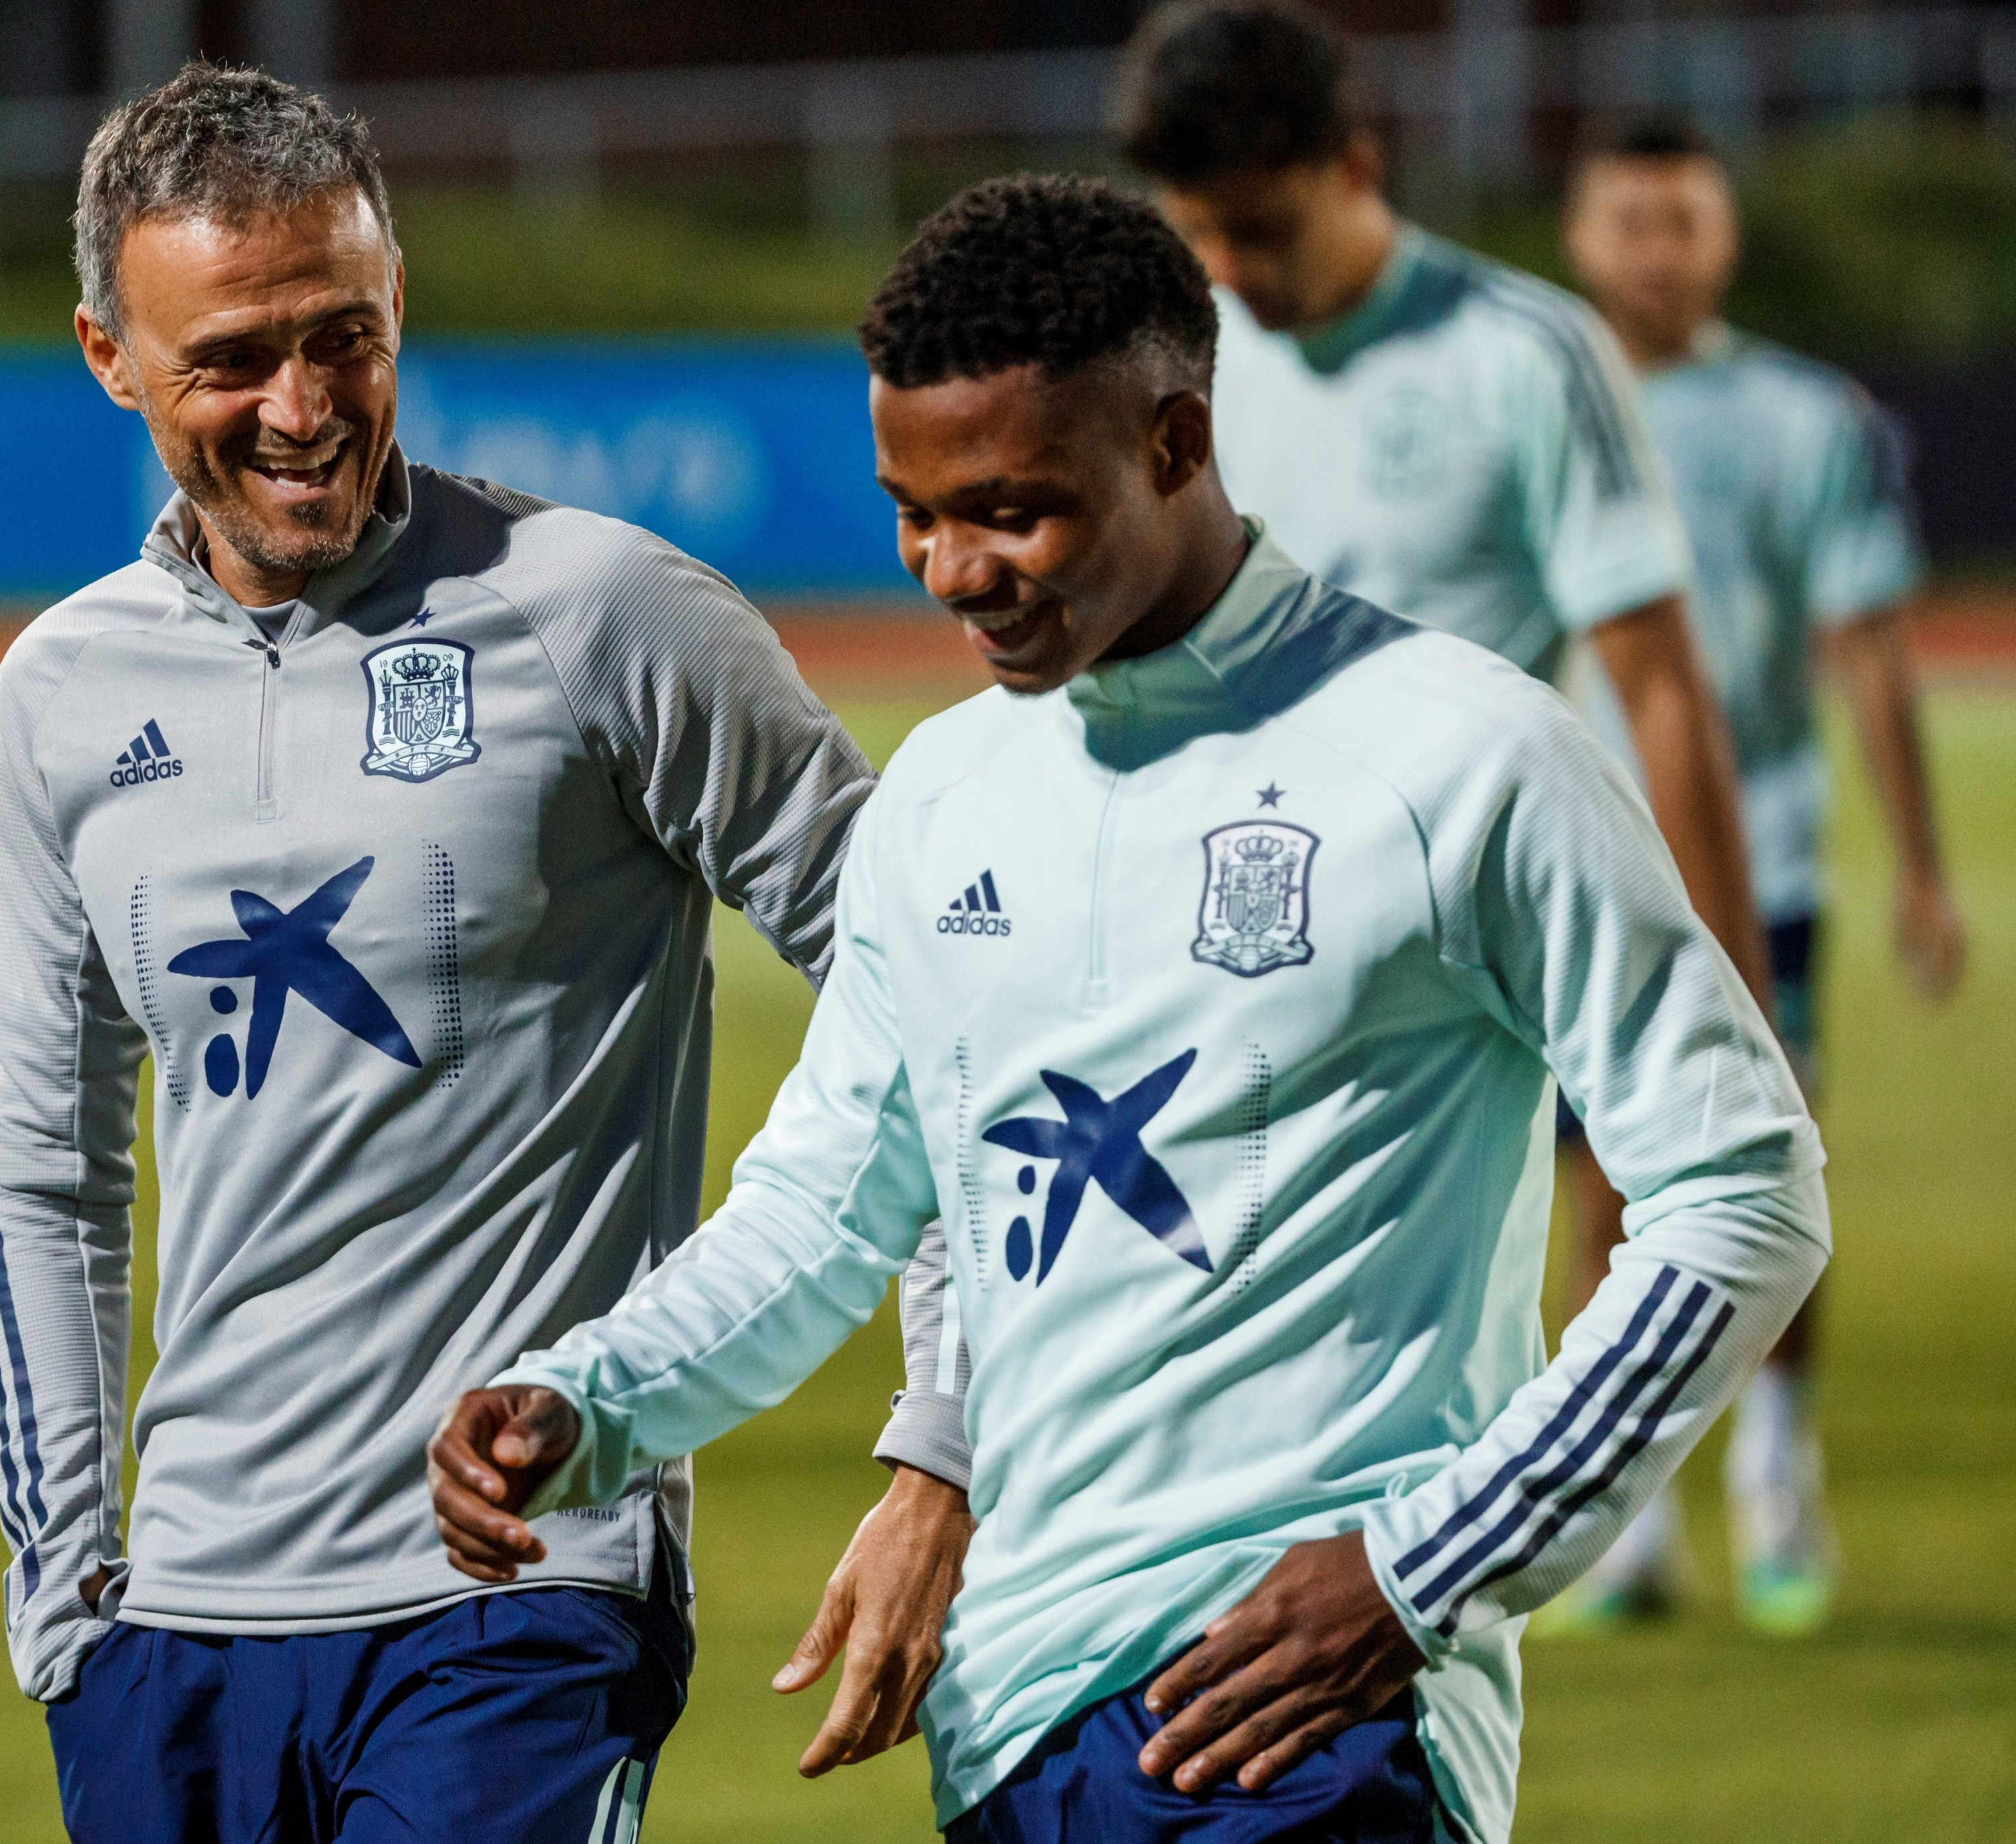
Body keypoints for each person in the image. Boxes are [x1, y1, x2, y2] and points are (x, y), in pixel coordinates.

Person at [429, 176, 1828, 1844]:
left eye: (1010, 511)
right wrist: (586, 1398)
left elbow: (1743, 1189)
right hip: (1011, 1720)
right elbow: (820, 1211)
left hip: (1314, 1728)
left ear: (1172, 443)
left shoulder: (1461, 754)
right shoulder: (942, 796)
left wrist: (1425, 1565)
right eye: (911, 511)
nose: (953, 570)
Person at [0, 63, 966, 1844]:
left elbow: (958, 1006)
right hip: (177, 1635)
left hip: (517, 1590)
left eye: (341, 335)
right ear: (110, 356)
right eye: (230, 360)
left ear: (398, 296)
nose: (301, 407)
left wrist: (943, 1431)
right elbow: (43, 1171)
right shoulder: (61, 690)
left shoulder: (604, 614)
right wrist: (65, 1603)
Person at [1108, 0, 1774, 1013]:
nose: (1229, 269)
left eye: (1263, 229)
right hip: (1248, 945)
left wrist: (1732, 1018)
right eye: (1197, 231)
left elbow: (1664, 697)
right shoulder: (1181, 359)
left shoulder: (1527, 355)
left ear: (1358, 169)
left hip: (1477, 955)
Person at [1544, 115, 1966, 1634]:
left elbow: (1866, 644)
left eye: (1681, 220)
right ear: (1578, 235)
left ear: (1720, 239)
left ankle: (1776, 1486)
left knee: (1764, 1165)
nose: (1653, 248)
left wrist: (1917, 868)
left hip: (1757, 861)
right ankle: (1632, 1518)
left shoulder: (1802, 415)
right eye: (1626, 219)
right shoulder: (1537, 404)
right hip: (1568, 868)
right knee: (1593, 1193)